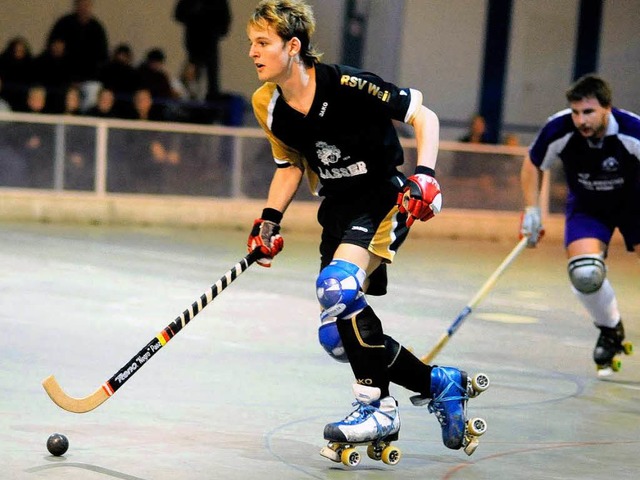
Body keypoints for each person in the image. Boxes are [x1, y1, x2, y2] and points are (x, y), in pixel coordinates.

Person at [245, 0, 489, 461]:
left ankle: (375, 408)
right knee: (336, 337)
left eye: (263, 43)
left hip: (381, 196)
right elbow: (289, 166)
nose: (253, 53)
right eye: (251, 43)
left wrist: (427, 174)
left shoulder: (347, 84)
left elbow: (424, 116)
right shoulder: (268, 104)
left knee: (336, 288)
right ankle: (440, 383)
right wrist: (268, 220)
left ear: (292, 46)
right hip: (336, 208)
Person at [520, 74, 639, 377]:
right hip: (589, 206)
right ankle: (611, 330)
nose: (580, 120)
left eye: (588, 112)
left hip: (634, 204)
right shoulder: (559, 128)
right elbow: (534, 163)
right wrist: (532, 210)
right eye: (575, 112)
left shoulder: (632, 131)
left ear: (607, 109)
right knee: (584, 273)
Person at [174, 0, 231, 102]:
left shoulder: (219, 3)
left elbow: (225, 24)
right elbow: (179, 14)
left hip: (208, 43)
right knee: (193, 74)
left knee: (210, 78)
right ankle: (192, 99)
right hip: (195, 43)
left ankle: (208, 101)